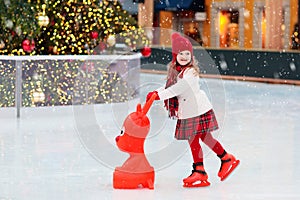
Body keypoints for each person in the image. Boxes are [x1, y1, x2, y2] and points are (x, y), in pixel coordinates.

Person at [146, 33, 240, 187]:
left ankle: (203, 169)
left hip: (197, 110)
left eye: (187, 53)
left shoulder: (191, 72)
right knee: (202, 138)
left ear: (191, 56)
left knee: (196, 139)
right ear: (175, 55)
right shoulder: (176, 71)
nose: (184, 56)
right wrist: (155, 92)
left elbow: (178, 89)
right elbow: (169, 86)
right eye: (181, 53)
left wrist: (160, 96)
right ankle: (222, 160)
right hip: (190, 111)